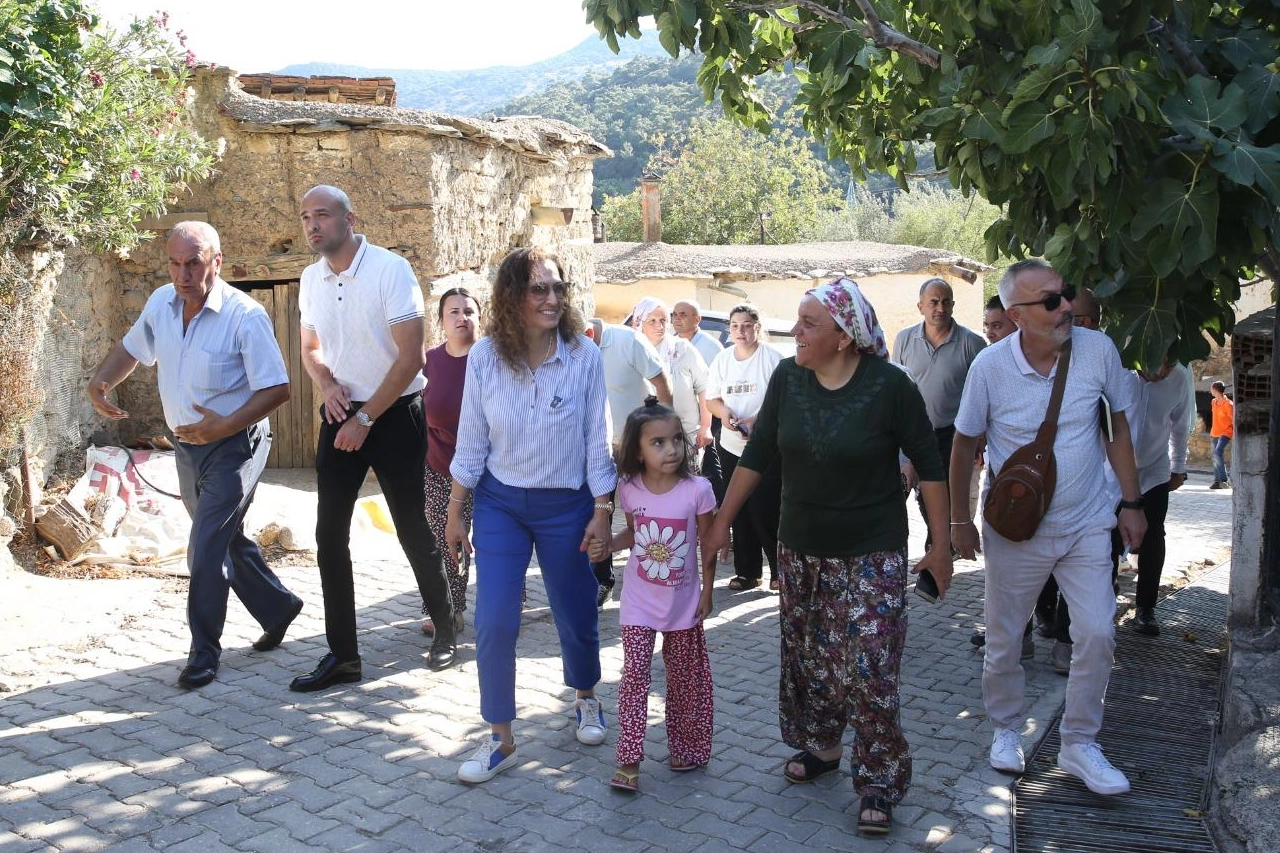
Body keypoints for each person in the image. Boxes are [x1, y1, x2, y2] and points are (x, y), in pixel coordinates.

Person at [703, 278, 951, 836]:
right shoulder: (789, 379)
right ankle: (824, 747)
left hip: (873, 550)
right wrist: (720, 524)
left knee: (870, 667)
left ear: (845, 336)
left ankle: (881, 777)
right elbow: (759, 453)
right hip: (802, 548)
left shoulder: (891, 386)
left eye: (809, 325)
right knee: (810, 658)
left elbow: (930, 462)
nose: (796, 333)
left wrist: (942, 545)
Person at [950, 259, 1147, 796]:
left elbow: (1118, 428)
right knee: (1006, 639)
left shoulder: (1097, 351)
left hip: (1086, 521)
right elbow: (964, 442)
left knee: (1099, 632)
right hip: (1016, 529)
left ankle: (1080, 743)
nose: (1066, 308)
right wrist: (957, 521)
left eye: (1065, 295)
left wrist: (1131, 502)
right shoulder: (990, 368)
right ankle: (1007, 730)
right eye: (1051, 301)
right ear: (1016, 315)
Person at [87, 222, 301, 689]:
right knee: (219, 537)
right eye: (175, 263)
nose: (183, 274)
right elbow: (131, 348)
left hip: (236, 445)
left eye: (194, 263)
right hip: (186, 447)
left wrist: (222, 426)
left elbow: (278, 387)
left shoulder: (245, 316)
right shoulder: (161, 304)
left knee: (204, 549)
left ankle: (203, 651)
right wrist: (100, 382)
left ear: (216, 263)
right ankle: (278, 605)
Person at [446, 247, 616, 785]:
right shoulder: (486, 356)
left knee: (575, 609)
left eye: (557, 288)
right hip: (500, 504)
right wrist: (456, 511)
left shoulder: (583, 356)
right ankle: (500, 738)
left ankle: (586, 697)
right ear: (511, 296)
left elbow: (597, 439)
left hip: (566, 504)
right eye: (538, 288)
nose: (551, 298)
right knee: (495, 619)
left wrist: (603, 510)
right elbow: (471, 439)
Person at [290, 185, 457, 692]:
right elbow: (311, 347)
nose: (312, 225)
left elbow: (412, 357)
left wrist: (365, 420)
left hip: (396, 412)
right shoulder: (309, 278)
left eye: (322, 214)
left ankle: (446, 628)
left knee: (412, 528)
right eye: (305, 217)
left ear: (349, 219)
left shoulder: (390, 270)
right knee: (328, 537)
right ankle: (343, 656)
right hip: (341, 412)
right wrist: (327, 385)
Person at [588, 397, 716, 793]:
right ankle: (628, 758)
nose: (671, 449)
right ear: (637, 451)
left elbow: (709, 545)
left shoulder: (699, 489)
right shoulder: (628, 489)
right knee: (634, 678)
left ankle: (686, 747)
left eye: (676, 439)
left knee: (683, 681)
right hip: (639, 605)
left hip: (683, 605)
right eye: (657, 443)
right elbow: (636, 534)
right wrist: (610, 544)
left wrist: (707, 594)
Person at [892, 277, 986, 551]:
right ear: (921, 306)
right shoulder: (905, 339)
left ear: (953, 305)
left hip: (952, 435)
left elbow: (981, 396)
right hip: (910, 433)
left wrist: (979, 437)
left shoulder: (972, 343)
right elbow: (896, 388)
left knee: (942, 496)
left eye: (946, 301)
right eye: (933, 302)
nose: (940, 308)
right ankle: (910, 549)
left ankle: (938, 549)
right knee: (902, 492)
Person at [705, 303, 784, 591]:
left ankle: (779, 571)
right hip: (731, 446)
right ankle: (748, 572)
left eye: (747, 325)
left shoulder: (773, 359)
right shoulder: (722, 360)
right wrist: (725, 415)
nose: (741, 330)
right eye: (735, 325)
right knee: (737, 508)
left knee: (767, 508)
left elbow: (780, 403)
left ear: (758, 328)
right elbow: (712, 399)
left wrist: (754, 422)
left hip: (766, 447)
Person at [420, 287, 482, 636]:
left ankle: (509, 600)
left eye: (469, 311)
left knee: (492, 539)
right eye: (454, 312)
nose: (462, 318)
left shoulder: (494, 358)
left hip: (490, 468)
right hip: (440, 464)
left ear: (480, 317)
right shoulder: (428, 361)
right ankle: (445, 609)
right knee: (443, 538)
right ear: (442, 320)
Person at [1122, 358, 1193, 636]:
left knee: (1153, 537)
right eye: (1157, 363)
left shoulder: (1182, 375)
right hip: (1111, 471)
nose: (1162, 372)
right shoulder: (1118, 367)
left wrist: (1178, 468)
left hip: (1154, 471)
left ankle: (1145, 609)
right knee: (1105, 536)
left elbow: (1180, 424)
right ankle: (1100, 600)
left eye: (1168, 365)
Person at [629, 297, 712, 464]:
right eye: (652, 321)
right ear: (639, 322)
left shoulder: (682, 349)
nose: (659, 326)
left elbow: (705, 387)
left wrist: (705, 426)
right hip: (644, 440)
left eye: (663, 320)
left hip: (684, 437)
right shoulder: (631, 351)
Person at [1209, 380, 1234, 489]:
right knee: (1215, 456)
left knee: (1217, 453)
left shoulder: (1228, 404)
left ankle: (1224, 480)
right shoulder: (1213, 402)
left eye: (1212, 388)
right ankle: (1217, 481)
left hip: (1225, 432)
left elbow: (1233, 420)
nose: (1211, 390)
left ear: (1215, 389)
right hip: (1214, 432)